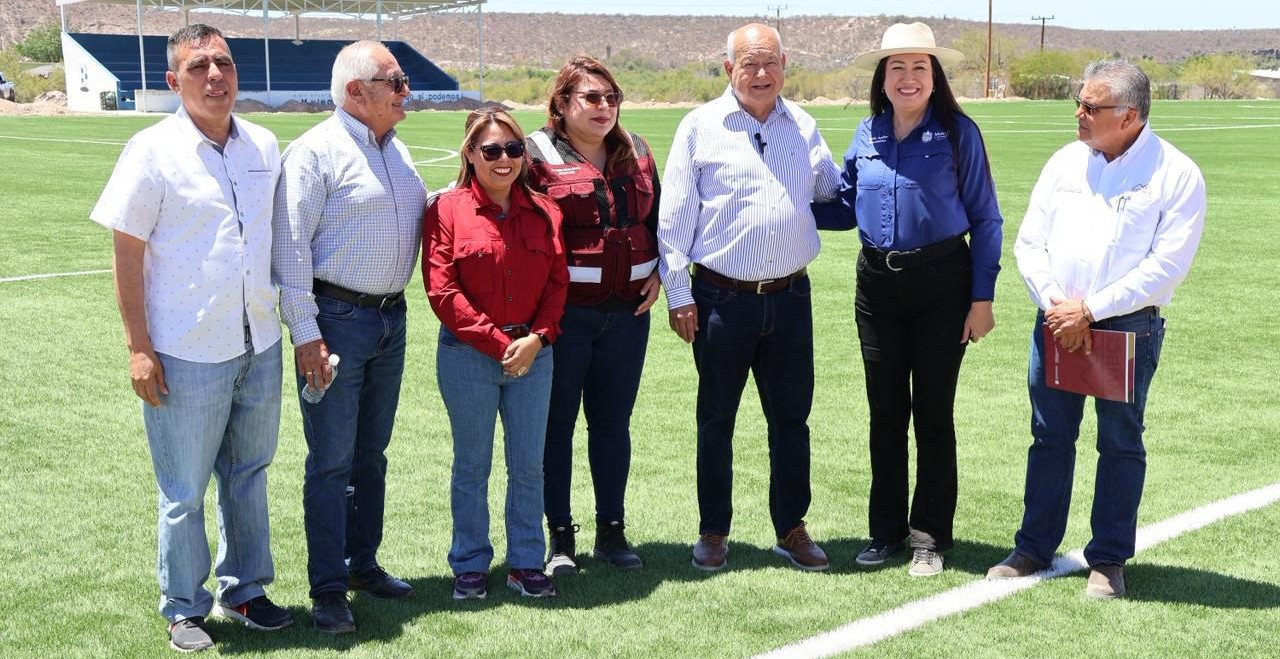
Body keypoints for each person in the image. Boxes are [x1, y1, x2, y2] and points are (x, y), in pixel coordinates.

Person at [91, 24, 291, 652]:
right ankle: (183, 604)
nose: (215, 75)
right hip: (186, 347)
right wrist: (139, 347)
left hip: (258, 341)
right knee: (184, 488)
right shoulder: (151, 151)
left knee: (250, 474)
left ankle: (246, 589)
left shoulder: (263, 142)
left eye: (224, 63)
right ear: (174, 81)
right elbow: (127, 254)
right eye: (198, 65)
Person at [987, 60, 1205, 599]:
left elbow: (1166, 265)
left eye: (1092, 107)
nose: (1079, 114)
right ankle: (1034, 546)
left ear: (1130, 115)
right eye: (1079, 103)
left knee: (1120, 442)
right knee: (1050, 436)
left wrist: (1093, 309)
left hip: (1125, 326)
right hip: (1057, 320)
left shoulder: (1176, 174)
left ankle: (1108, 559)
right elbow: (1029, 242)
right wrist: (1059, 306)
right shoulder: (1065, 162)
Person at [658, 23, 840, 573]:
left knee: (792, 419)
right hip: (719, 300)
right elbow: (675, 217)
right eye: (749, 64)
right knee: (716, 419)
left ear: (785, 65)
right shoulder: (699, 127)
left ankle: (791, 527)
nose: (761, 75)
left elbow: (831, 189)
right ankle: (714, 530)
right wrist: (678, 293)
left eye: (771, 63)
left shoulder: (803, 125)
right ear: (727, 69)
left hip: (789, 299)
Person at [833, 22, 1003, 577]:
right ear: (882, 80)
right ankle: (884, 532)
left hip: (943, 286)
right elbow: (841, 204)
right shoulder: (866, 133)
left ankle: (929, 534)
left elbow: (986, 218)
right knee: (885, 413)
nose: (908, 78)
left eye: (919, 68)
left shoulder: (959, 133)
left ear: (935, 78)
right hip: (876, 288)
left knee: (932, 412)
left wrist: (981, 298)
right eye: (896, 68)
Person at [272, 40, 426, 633]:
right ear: (356, 92)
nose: (406, 90)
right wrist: (306, 334)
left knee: (371, 455)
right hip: (336, 321)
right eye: (396, 80)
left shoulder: (398, 150)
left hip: (391, 319)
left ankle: (363, 563)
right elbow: (289, 250)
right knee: (332, 461)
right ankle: (328, 588)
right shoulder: (315, 152)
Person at [424, 107, 570, 600]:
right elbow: (443, 292)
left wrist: (538, 338)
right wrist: (499, 342)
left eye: (513, 149)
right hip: (469, 356)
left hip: (535, 354)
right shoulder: (446, 210)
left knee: (528, 464)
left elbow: (557, 284)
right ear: (470, 154)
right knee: (473, 464)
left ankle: (526, 561)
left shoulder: (546, 210)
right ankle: (469, 562)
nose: (503, 159)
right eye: (491, 150)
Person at [524, 55, 661, 574]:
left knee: (612, 424)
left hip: (627, 315)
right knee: (556, 427)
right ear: (562, 103)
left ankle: (612, 531)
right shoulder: (534, 154)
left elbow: (658, 218)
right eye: (591, 98)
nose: (605, 107)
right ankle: (560, 537)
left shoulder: (638, 150)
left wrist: (662, 271)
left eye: (612, 98)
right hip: (565, 319)